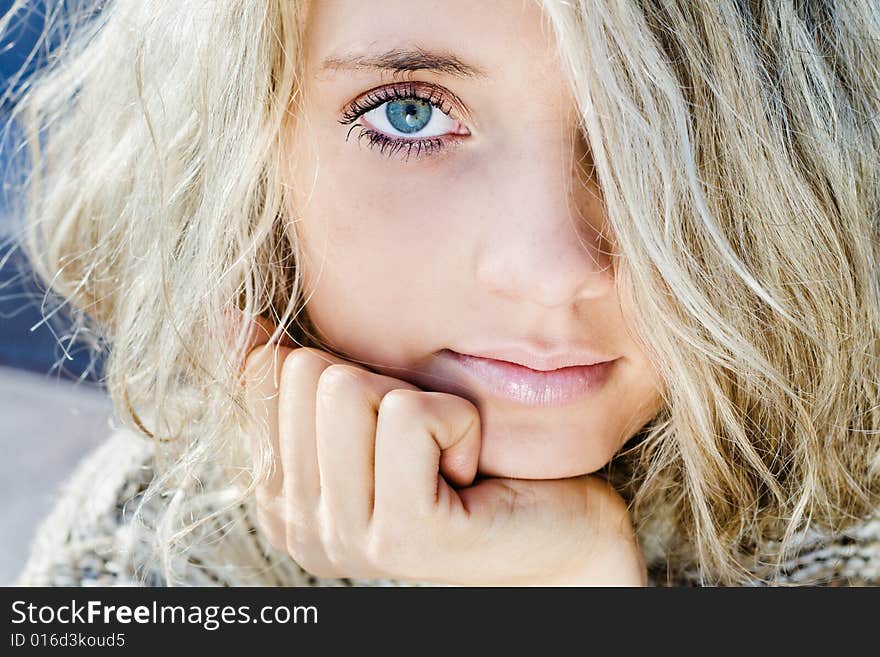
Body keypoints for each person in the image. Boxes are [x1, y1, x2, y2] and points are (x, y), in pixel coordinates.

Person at [8, 0, 880, 587]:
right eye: (409, 111)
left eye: (654, 124)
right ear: (244, 156)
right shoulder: (138, 563)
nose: (553, 267)